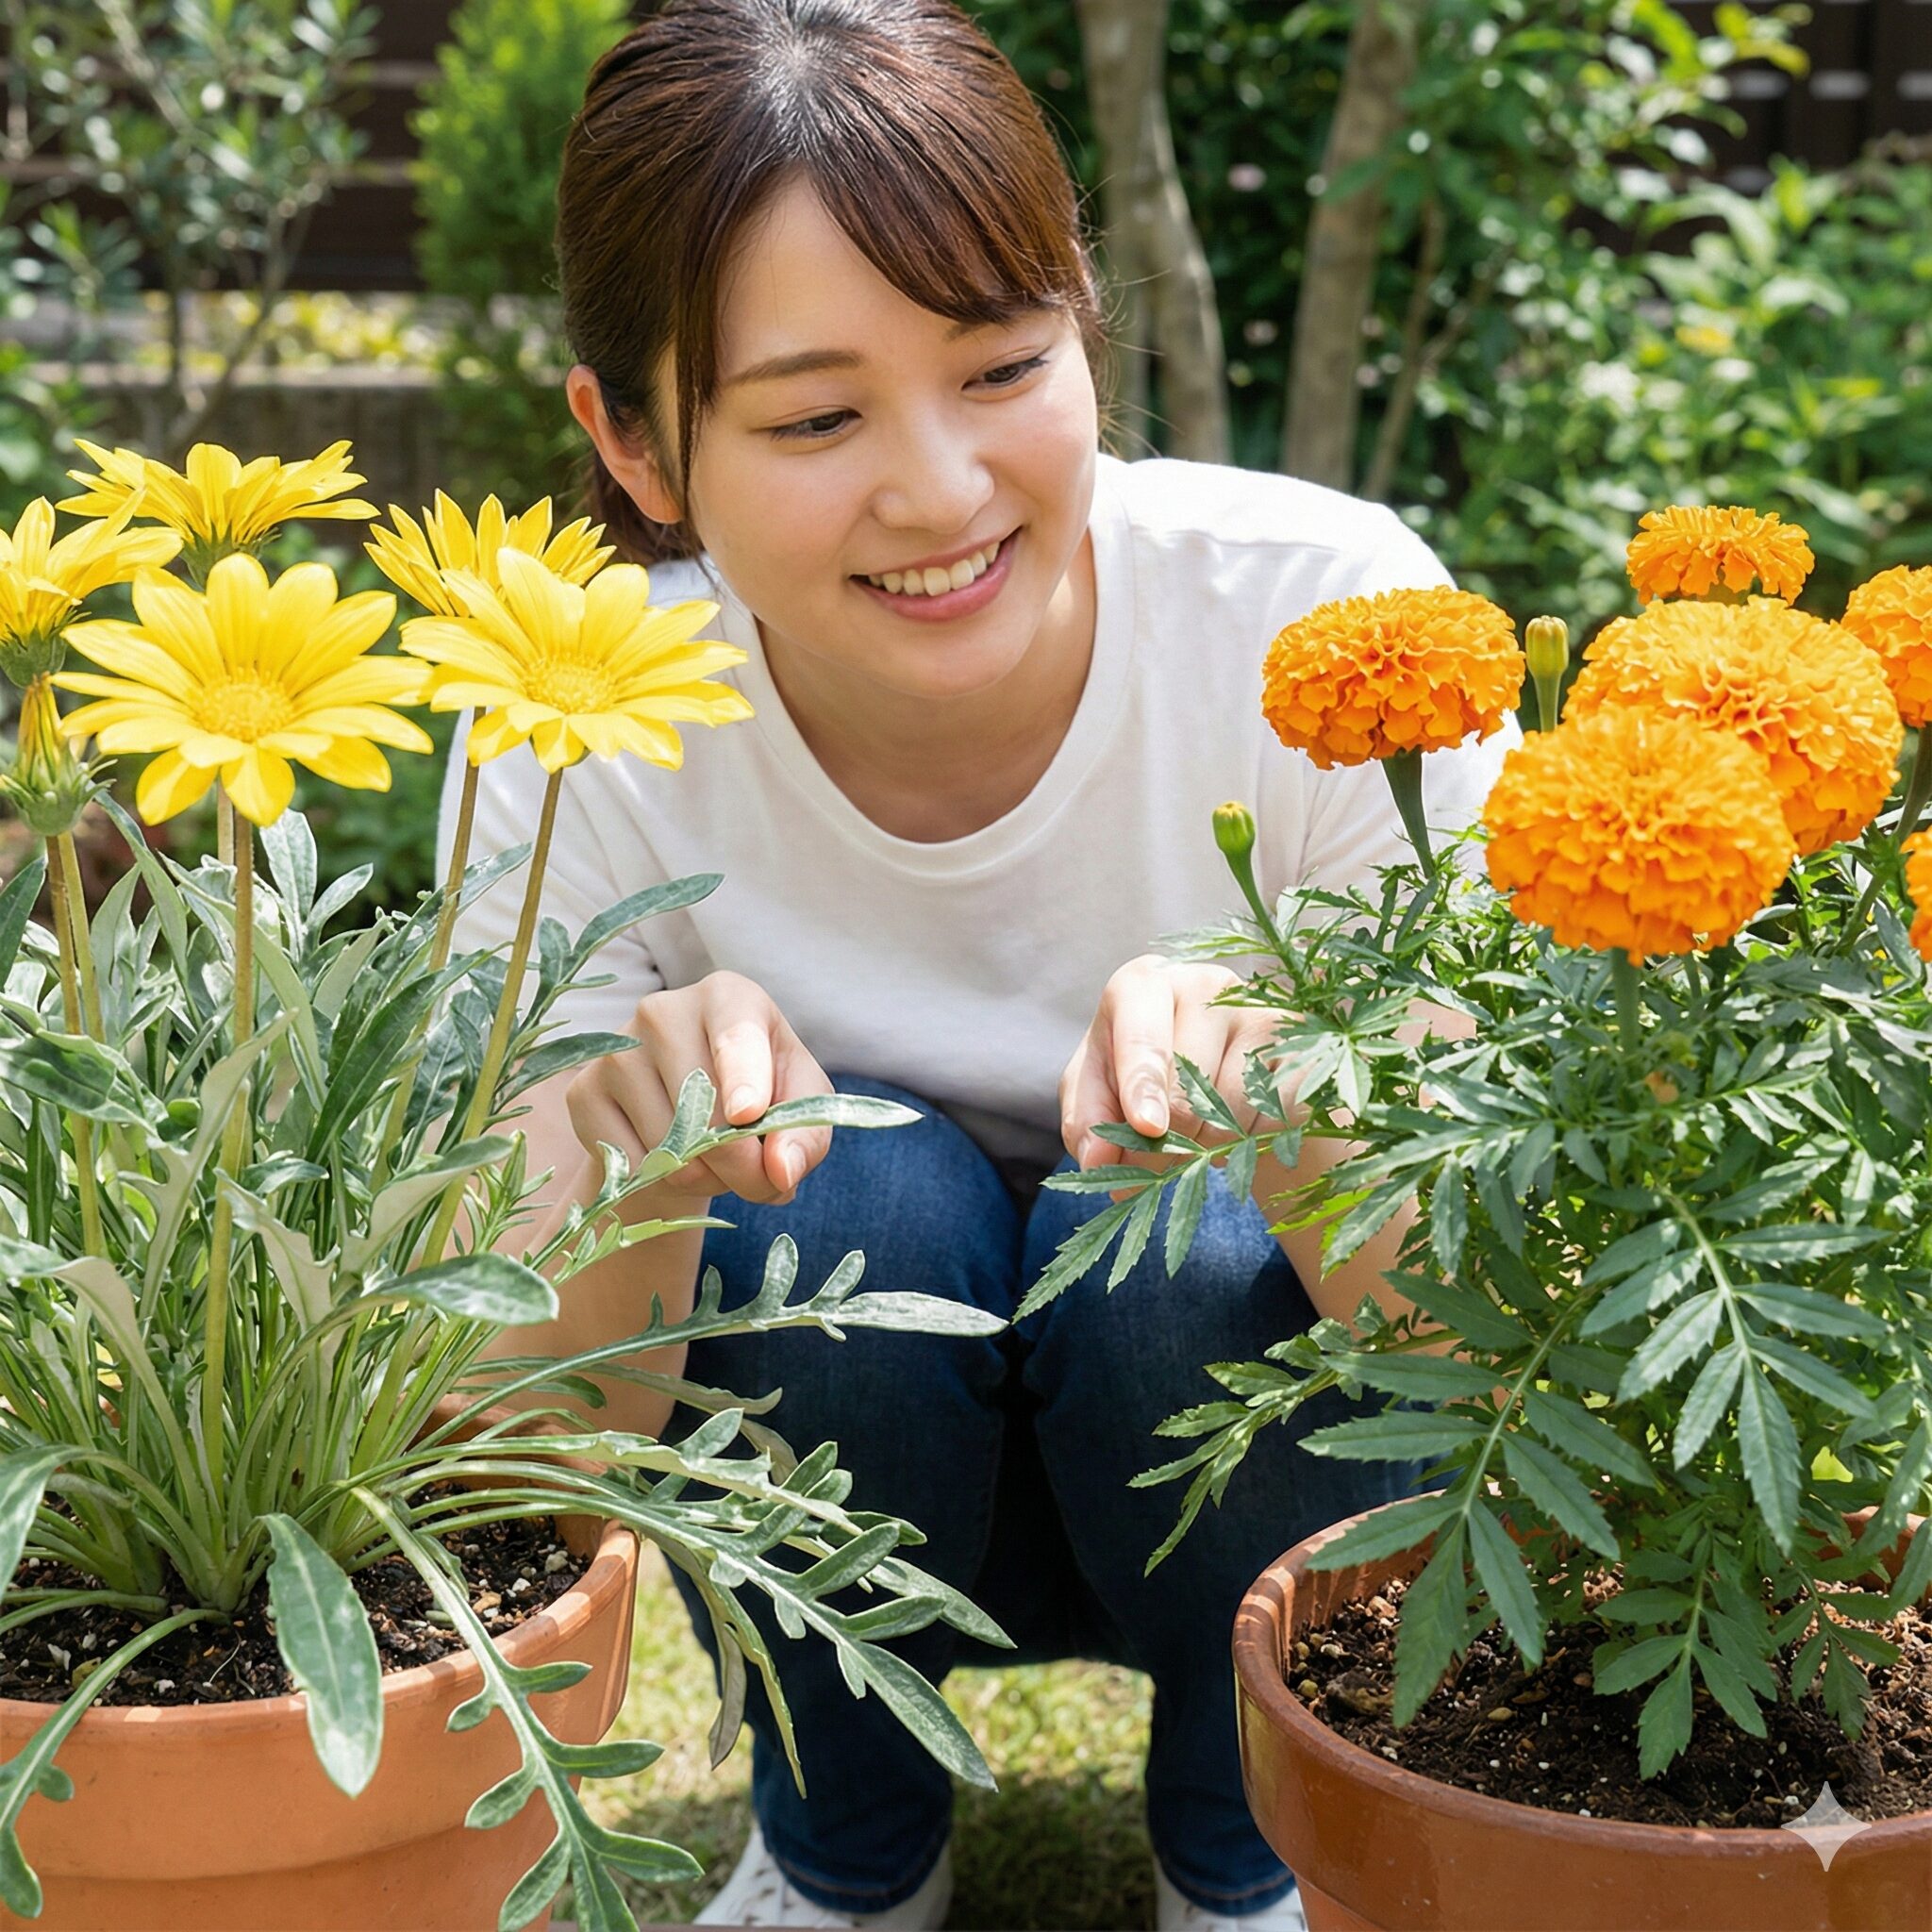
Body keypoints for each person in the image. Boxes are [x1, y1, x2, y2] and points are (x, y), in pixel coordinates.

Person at [445, 3, 1512, 1927]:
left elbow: (1492, 1352)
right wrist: (644, 1173)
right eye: (814, 416)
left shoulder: (1335, 628)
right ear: (634, 439)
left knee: (1173, 1242)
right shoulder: (569, 713)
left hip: (1221, 1434)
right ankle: (845, 1853)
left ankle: (1254, 1843)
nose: (939, 491)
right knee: (838, 1188)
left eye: (1001, 364)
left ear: (1086, 322)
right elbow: (521, 1458)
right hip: (841, 1431)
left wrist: (1299, 1109)